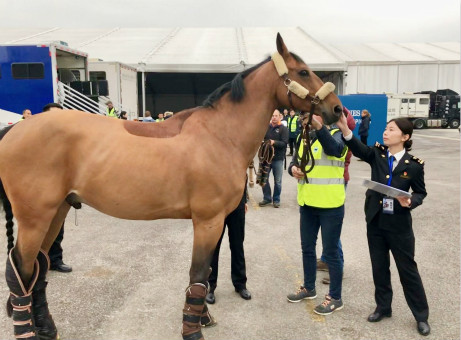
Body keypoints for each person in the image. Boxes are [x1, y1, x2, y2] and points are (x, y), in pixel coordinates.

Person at [335, 115, 430, 336]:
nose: (386, 132)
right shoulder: (377, 154)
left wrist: (410, 201)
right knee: (379, 267)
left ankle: (421, 316)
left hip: (399, 225)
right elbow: (358, 148)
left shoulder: (413, 166)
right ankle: (383, 307)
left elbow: (421, 192)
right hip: (376, 221)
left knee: (408, 271)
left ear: (405, 137)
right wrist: (344, 129)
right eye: (386, 129)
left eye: (392, 130)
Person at [286, 113, 347, 315]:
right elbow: (293, 161)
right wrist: (293, 168)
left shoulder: (338, 134)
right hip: (308, 203)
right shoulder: (304, 136)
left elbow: (334, 150)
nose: (307, 119)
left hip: (330, 204)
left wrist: (319, 128)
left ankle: (335, 298)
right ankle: (309, 287)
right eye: (305, 117)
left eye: (311, 116)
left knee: (331, 253)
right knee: (307, 249)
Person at [318, 107, 356, 285]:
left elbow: (332, 150)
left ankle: (337, 268)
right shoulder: (336, 129)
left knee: (331, 229)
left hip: (337, 180)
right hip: (327, 182)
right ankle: (326, 259)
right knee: (325, 226)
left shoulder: (341, 132)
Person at [206, 180, 251, 304]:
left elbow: (242, 173)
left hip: (237, 203)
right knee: (213, 246)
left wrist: (244, 200)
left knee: (237, 245)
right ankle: (210, 286)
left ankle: (240, 284)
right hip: (217, 203)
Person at [41, 103, 73, 273]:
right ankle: (35, 262)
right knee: (37, 228)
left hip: (60, 190)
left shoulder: (65, 138)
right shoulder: (36, 137)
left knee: (57, 228)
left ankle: (54, 260)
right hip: (41, 190)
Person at [258, 110, 288, 208]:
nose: (274, 117)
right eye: (272, 115)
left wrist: (273, 142)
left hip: (278, 159)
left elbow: (284, 143)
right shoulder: (266, 128)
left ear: (280, 117)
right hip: (267, 158)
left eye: (276, 116)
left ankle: (276, 199)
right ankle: (267, 198)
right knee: (264, 179)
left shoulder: (283, 129)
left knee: (277, 181)